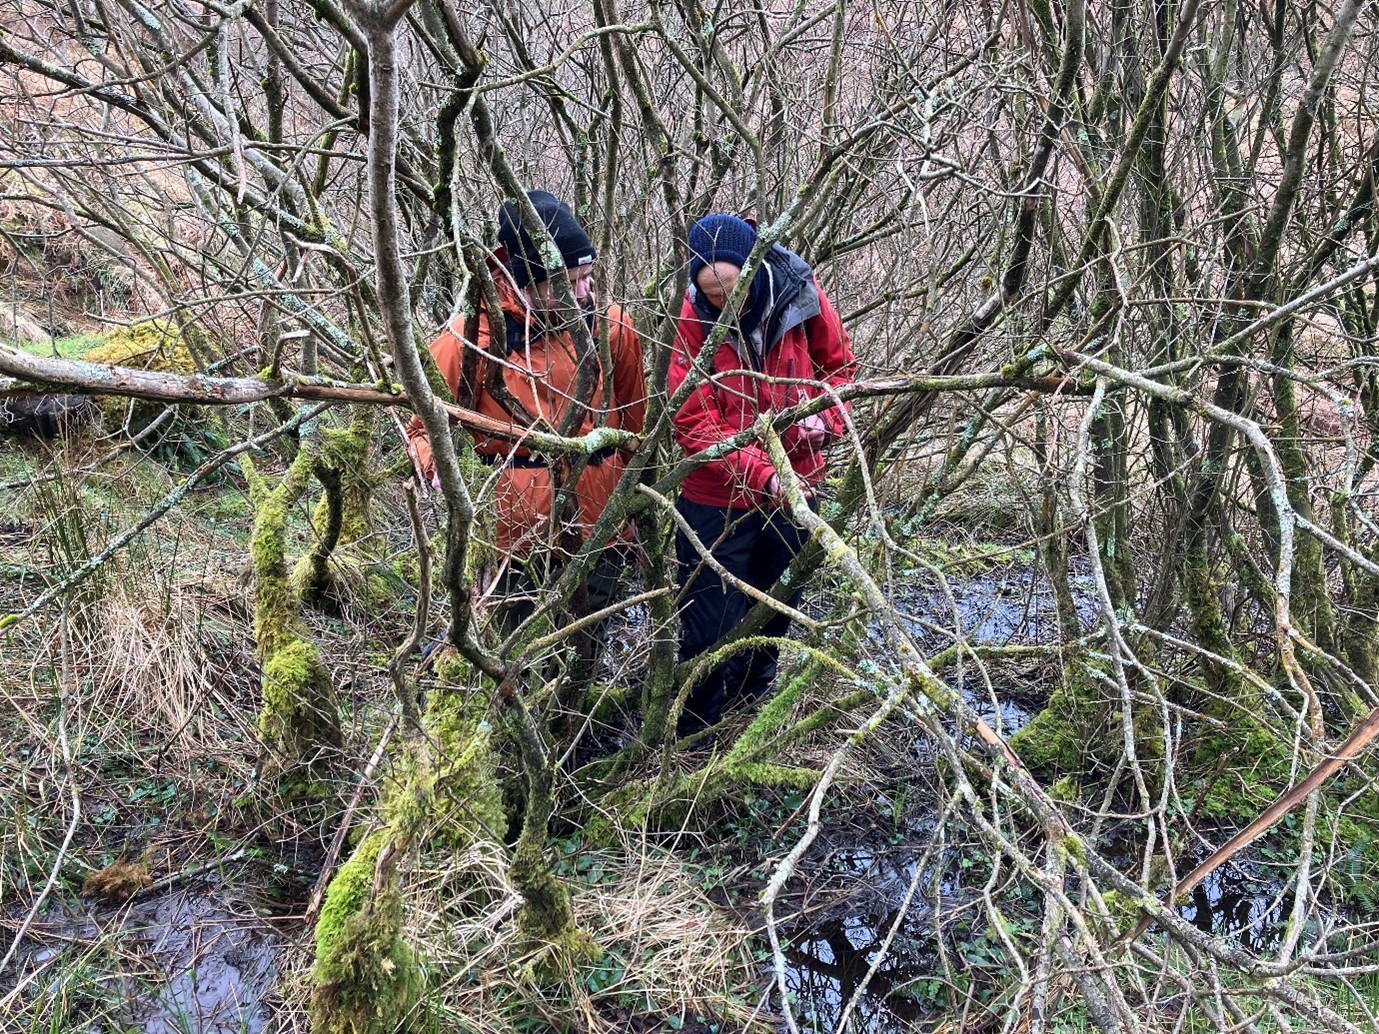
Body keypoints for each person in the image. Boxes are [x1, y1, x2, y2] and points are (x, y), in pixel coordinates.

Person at [406, 190, 646, 632]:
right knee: (513, 652)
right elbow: (422, 427)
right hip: (509, 541)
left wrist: (628, 507)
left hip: (599, 527)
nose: (582, 294)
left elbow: (635, 424)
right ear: (522, 280)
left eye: (587, 278)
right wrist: (439, 470)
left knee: (587, 647)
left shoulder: (612, 326)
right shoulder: (468, 339)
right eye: (565, 283)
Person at [667, 213, 856, 736]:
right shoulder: (693, 319)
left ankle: (750, 717)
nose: (724, 303)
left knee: (774, 612)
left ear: (756, 267)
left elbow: (840, 370)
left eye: (732, 288)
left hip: (797, 482)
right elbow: (693, 422)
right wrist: (762, 476)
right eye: (711, 293)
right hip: (716, 496)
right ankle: (697, 737)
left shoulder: (799, 291)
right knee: (707, 629)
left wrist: (826, 419)